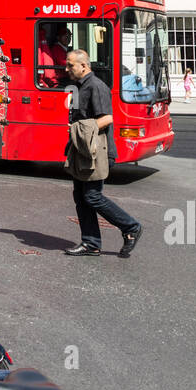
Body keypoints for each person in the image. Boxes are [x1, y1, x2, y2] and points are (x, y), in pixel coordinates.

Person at [62, 49, 143, 258]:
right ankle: (91, 243)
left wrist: (77, 130)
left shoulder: (96, 86)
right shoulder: (81, 86)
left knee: (92, 196)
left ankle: (131, 227)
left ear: (83, 66)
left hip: (98, 151)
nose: (67, 69)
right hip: (84, 151)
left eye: (70, 65)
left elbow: (107, 118)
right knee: (81, 198)